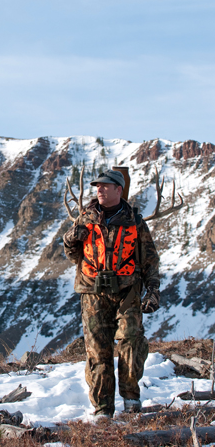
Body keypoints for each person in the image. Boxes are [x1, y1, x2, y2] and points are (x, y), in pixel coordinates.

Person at [63, 170, 160, 418]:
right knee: (98, 351)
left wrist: (153, 290)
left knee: (131, 341)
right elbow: (74, 257)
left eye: (105, 186)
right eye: (97, 186)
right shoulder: (84, 220)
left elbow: (149, 259)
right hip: (93, 292)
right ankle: (103, 409)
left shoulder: (135, 222)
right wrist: (70, 240)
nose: (100, 190)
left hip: (127, 291)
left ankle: (131, 400)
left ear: (119, 190)